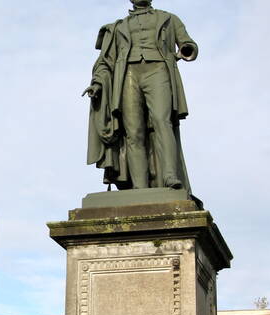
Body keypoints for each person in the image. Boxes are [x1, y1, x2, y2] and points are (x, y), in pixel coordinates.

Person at [83, 0, 198, 191]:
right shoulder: (119, 27)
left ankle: (170, 175)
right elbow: (105, 61)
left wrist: (184, 50)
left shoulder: (168, 19)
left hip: (158, 70)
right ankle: (139, 187)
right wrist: (97, 82)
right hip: (128, 74)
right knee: (133, 132)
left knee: (162, 121)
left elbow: (187, 43)